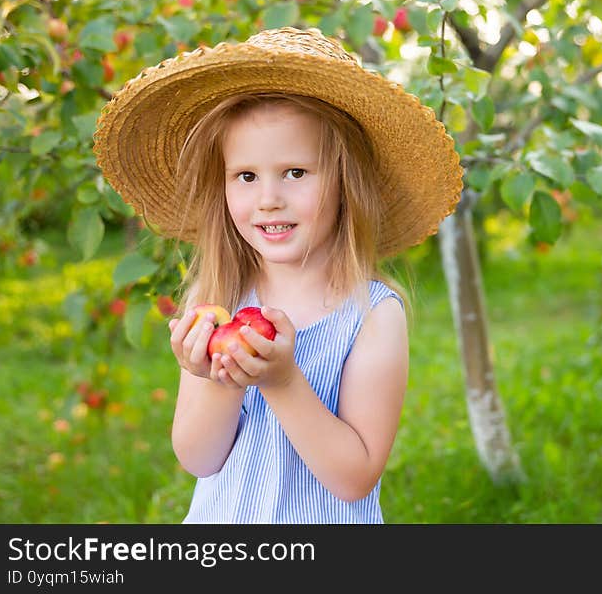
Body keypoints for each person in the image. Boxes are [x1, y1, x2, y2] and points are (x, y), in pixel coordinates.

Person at [92, 26, 463, 523]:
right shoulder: (217, 296)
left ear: (343, 186)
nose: (268, 198)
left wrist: (283, 381)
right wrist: (217, 381)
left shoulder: (373, 315)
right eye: (246, 176)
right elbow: (199, 458)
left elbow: (354, 478)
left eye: (295, 172)